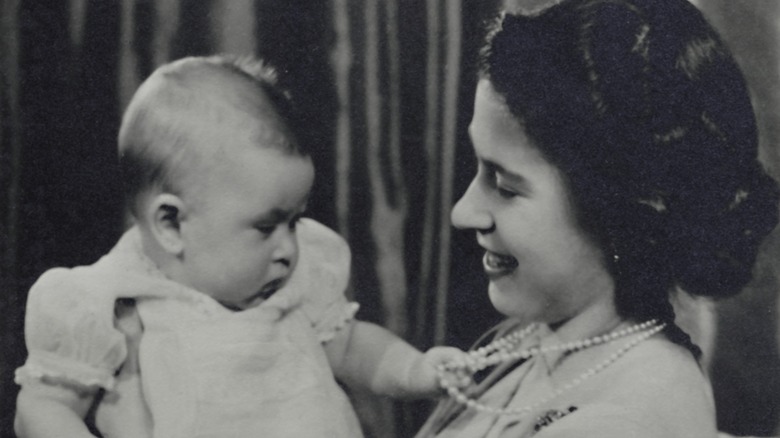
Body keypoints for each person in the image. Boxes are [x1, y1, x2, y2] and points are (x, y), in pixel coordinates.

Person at [14, 55, 464, 438]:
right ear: (171, 224)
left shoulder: (297, 275)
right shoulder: (110, 303)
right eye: (266, 227)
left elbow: (349, 348)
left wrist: (416, 370)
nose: (289, 247)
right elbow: (42, 409)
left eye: (295, 220)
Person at [416, 0, 780, 436]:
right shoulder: (545, 334)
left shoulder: (617, 422)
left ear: (618, 211)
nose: (463, 213)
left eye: (507, 187)